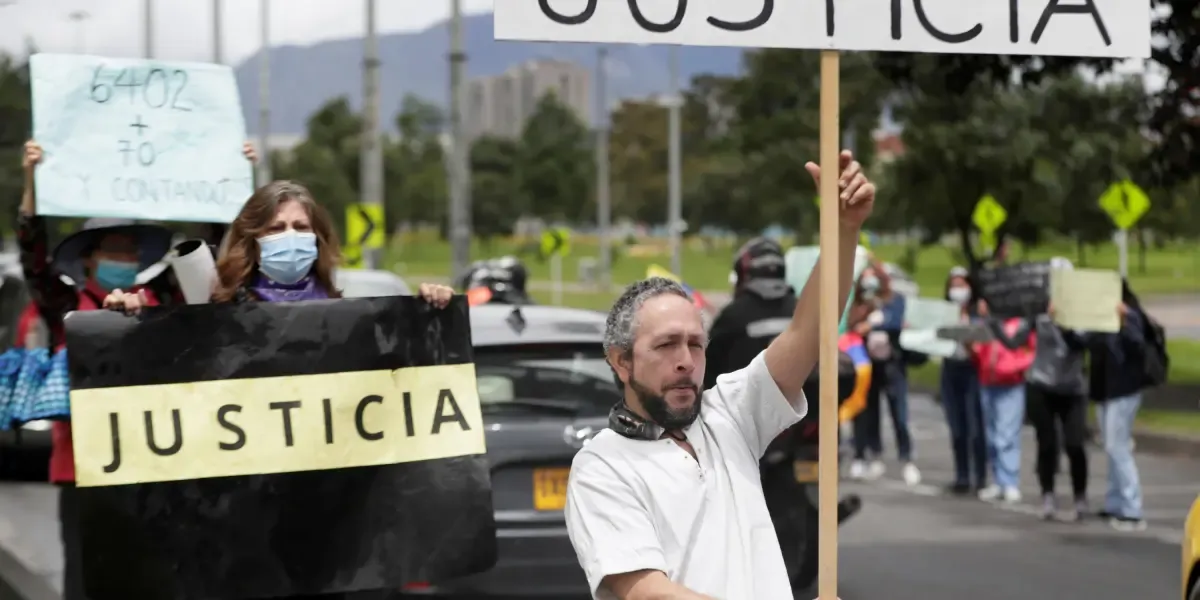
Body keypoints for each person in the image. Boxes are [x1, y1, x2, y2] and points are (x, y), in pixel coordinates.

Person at [563, 151, 874, 599]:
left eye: (695, 344)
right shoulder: (602, 466)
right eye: (666, 345)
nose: (686, 360)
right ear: (621, 361)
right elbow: (650, 593)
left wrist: (844, 230)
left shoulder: (730, 415)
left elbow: (808, 332)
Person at [16, 139, 253, 600]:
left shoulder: (159, 299)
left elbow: (205, 251)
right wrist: (31, 181)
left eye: (130, 252)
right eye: (113, 250)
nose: (123, 260)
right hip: (81, 470)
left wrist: (230, 175)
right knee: (86, 582)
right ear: (88, 258)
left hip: (151, 464)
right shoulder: (65, 305)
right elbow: (32, 258)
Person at [846, 258, 919, 484]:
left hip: (892, 365)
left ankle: (906, 458)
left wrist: (873, 324)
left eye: (873, 277)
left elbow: (895, 322)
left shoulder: (894, 300)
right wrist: (865, 311)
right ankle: (874, 454)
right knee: (870, 413)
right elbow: (851, 326)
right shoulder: (860, 304)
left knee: (899, 415)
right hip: (869, 365)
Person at [1027, 257, 1089, 521]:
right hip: (1042, 384)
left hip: (1072, 387)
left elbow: (1080, 344)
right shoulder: (1038, 310)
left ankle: (1080, 496)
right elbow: (1015, 339)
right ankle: (1048, 494)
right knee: (1047, 443)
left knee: (1074, 444)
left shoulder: (1082, 310)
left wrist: (1061, 322)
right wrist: (993, 321)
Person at [1088, 280, 1149, 531]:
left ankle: (1133, 509)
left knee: (1118, 446)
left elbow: (1138, 347)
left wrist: (1124, 321)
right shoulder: (1100, 319)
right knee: (1111, 446)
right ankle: (1115, 502)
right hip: (1105, 390)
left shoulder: (1131, 316)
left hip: (1124, 390)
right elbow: (1082, 342)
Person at [972, 300, 1036, 503]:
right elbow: (979, 351)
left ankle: (1010, 481)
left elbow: (1030, 351)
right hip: (988, 382)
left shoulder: (1019, 325)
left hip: (1011, 384)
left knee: (1006, 435)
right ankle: (998, 480)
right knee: (991, 436)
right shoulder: (988, 324)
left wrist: (1014, 367)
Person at [939, 266, 988, 496]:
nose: (957, 289)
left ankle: (980, 476)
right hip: (951, 369)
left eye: (962, 285)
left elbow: (983, 342)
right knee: (957, 427)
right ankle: (962, 475)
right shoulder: (944, 312)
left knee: (975, 426)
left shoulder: (978, 312)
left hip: (972, 371)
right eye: (954, 285)